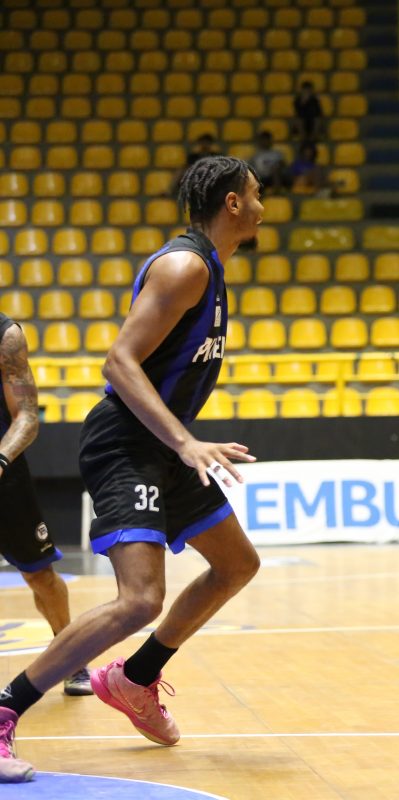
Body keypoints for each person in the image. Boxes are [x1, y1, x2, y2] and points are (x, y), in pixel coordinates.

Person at [0, 156, 264, 783]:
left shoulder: (211, 267)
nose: (262, 205)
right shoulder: (186, 266)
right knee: (140, 599)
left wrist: (180, 443)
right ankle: (5, 709)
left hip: (161, 446)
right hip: (126, 443)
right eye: (256, 194)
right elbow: (119, 361)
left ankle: (135, 678)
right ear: (232, 203)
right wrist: (185, 442)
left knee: (236, 564)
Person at [0, 315, 93, 697]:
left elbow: (26, 416)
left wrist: (1, 460)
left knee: (40, 575)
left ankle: (69, 656)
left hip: (5, 475)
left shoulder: (6, 335)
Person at [248, 130, 291, 195]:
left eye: (267, 139)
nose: (266, 142)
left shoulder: (277, 154)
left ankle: (276, 192)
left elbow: (284, 166)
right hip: (263, 178)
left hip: (277, 176)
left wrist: (278, 166)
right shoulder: (255, 156)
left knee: (276, 170)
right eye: (263, 140)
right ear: (260, 141)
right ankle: (275, 194)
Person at [292, 80, 325, 147]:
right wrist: (303, 102)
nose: (307, 92)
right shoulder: (297, 101)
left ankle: (312, 139)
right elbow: (298, 113)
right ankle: (304, 139)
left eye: (308, 91)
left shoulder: (315, 101)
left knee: (317, 120)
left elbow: (318, 114)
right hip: (302, 123)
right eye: (305, 90)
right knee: (298, 120)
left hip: (312, 123)